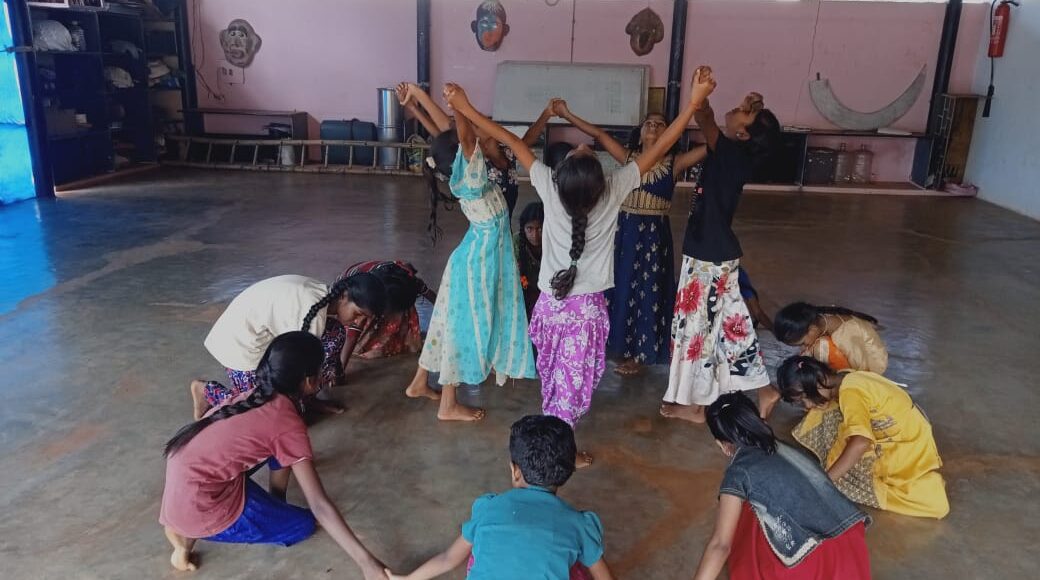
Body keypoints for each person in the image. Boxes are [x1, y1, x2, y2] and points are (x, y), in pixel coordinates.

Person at [446, 67, 716, 465]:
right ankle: (557, 454)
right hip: (586, 314)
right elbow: (663, 148)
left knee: (558, 384)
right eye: (584, 150)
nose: (582, 146)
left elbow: (505, 139)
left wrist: (464, 108)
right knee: (570, 394)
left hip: (550, 308)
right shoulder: (614, 190)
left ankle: (557, 441)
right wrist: (693, 103)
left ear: (560, 176)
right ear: (601, 177)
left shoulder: (549, 188)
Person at [161, 332, 388, 579]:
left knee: (280, 450)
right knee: (303, 525)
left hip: (187, 486)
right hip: (203, 507)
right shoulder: (288, 424)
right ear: (310, 381)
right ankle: (185, 539)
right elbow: (319, 505)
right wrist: (367, 562)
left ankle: (264, 506)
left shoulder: (254, 395)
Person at [407, 97, 537, 421]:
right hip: (478, 265)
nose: (476, 142)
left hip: (470, 258)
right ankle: (448, 403)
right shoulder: (473, 180)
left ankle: (420, 381)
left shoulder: (463, 176)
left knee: (445, 320)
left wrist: (425, 105)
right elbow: (463, 138)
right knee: (461, 328)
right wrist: (458, 106)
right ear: (465, 158)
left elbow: (455, 138)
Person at [554, 105, 708, 376]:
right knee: (621, 287)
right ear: (639, 134)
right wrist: (567, 115)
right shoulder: (628, 158)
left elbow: (711, 146)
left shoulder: (675, 162)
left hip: (654, 237)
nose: (653, 126)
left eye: (661, 124)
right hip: (624, 232)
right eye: (649, 123)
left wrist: (717, 121)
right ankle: (618, 346)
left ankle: (641, 353)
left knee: (649, 291)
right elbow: (599, 135)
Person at [661, 89, 783, 424]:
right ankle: (762, 389)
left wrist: (700, 93)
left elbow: (705, 118)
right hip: (715, 254)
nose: (738, 107)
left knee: (696, 329)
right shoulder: (734, 153)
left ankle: (697, 406)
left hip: (708, 258)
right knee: (733, 329)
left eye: (744, 113)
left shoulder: (732, 154)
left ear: (742, 133)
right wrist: (751, 108)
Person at [386, 415, 613, 580]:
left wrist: (407, 579)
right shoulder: (579, 524)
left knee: (479, 554)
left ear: (515, 470)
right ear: (567, 471)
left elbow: (448, 558)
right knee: (573, 567)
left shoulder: (488, 507)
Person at [693, 392, 871, 580]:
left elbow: (720, 545)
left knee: (743, 513)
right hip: (851, 543)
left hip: (812, 558)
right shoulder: (786, 448)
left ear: (721, 444)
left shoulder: (738, 472)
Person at [189, 273, 386, 419]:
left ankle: (308, 401)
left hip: (266, 337)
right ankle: (206, 390)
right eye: (358, 313)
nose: (358, 322)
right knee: (259, 412)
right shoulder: (312, 312)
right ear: (344, 296)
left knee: (334, 333)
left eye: (365, 319)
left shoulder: (323, 296)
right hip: (241, 345)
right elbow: (293, 365)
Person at [776, 356, 950, 519]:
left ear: (820, 379)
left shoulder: (850, 393)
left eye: (806, 398)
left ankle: (928, 490)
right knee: (822, 414)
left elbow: (861, 442)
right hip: (911, 429)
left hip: (906, 447)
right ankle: (837, 463)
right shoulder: (845, 377)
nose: (806, 406)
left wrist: (824, 484)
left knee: (849, 481)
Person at [397, 82, 552, 218]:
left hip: (504, 236)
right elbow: (450, 129)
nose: (484, 121)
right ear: (475, 140)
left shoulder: (506, 152)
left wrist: (548, 113)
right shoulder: (477, 165)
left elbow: (526, 141)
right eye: (478, 124)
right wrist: (454, 106)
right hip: (488, 242)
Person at [323, 261, 437, 387]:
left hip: (385, 297)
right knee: (357, 339)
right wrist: (340, 371)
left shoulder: (407, 282)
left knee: (396, 317)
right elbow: (352, 333)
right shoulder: (360, 298)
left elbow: (434, 298)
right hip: (358, 299)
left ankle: (393, 329)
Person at [773, 302, 887, 374]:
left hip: (869, 368)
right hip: (852, 357)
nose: (802, 348)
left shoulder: (847, 335)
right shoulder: (819, 319)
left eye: (802, 343)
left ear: (812, 330)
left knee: (819, 348)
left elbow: (862, 372)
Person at [514, 202, 544, 317]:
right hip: (523, 294)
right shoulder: (516, 243)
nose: (535, 235)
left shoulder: (554, 243)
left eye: (540, 229)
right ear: (523, 228)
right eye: (529, 229)